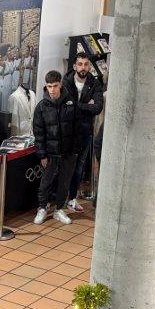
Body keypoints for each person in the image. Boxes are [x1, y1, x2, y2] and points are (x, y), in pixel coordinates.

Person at [32, 70, 77, 226]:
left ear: (60, 85)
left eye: (55, 86)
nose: (52, 90)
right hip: (50, 153)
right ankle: (42, 208)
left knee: (64, 182)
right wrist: (42, 155)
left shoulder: (70, 103)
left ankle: (59, 209)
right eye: (49, 86)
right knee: (45, 182)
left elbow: (76, 127)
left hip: (68, 152)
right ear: (46, 86)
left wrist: (74, 150)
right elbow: (38, 133)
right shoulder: (41, 107)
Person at [62, 52, 105, 212]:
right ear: (74, 66)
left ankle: (72, 198)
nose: (83, 67)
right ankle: (57, 200)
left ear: (89, 66)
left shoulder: (95, 83)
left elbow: (97, 107)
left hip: (85, 132)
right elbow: (65, 106)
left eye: (86, 64)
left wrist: (77, 106)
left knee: (79, 167)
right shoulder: (66, 82)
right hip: (66, 131)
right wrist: (87, 105)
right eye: (80, 64)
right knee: (64, 166)